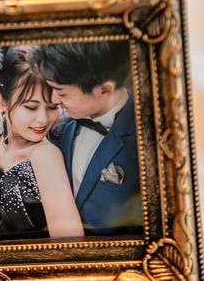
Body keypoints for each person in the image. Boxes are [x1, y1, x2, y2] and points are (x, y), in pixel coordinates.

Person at [0, 46, 84, 242]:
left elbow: (70, 243)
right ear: (1, 101)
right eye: (31, 107)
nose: (43, 119)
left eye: (53, 107)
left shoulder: (45, 156)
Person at [29, 41, 143, 236]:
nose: (54, 99)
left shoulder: (146, 140)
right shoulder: (54, 129)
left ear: (105, 90)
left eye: (62, 92)